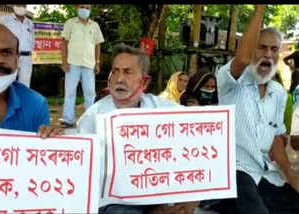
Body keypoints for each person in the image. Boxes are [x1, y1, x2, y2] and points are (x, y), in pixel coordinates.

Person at [77, 43, 199, 214]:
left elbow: (201, 145)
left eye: (127, 72)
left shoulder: (163, 110)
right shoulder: (93, 118)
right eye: (115, 71)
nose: (119, 79)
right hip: (115, 202)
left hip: (161, 195)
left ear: (145, 81)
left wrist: (189, 203)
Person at [216, 5, 299, 214]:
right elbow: (242, 59)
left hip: (265, 174)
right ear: (250, 48)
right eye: (261, 47)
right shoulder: (230, 81)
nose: (268, 54)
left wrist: (291, 175)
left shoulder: (279, 93)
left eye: (273, 49)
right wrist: (260, 8)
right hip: (233, 173)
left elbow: (276, 139)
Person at [0, 23, 61, 138]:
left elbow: (41, 151)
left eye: (7, 52)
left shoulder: (36, 104)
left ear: (17, 60)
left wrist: (55, 141)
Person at [61, 4, 105, 128]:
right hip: (72, 63)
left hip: (89, 64)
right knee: (69, 93)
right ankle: (67, 119)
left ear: (91, 9)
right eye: (82, 6)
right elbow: (64, 43)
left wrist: (97, 62)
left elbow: (97, 45)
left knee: (90, 94)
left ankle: (89, 121)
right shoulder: (70, 23)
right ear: (76, 8)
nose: (84, 9)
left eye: (87, 7)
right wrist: (64, 62)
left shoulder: (95, 26)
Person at [0, 5, 34, 88]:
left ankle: (23, 100)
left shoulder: (29, 23)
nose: (21, 6)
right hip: (10, 55)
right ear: (14, 6)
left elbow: (32, 40)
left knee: (25, 84)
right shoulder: (4, 20)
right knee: (7, 81)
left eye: (23, 5)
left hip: (26, 57)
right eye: (19, 4)